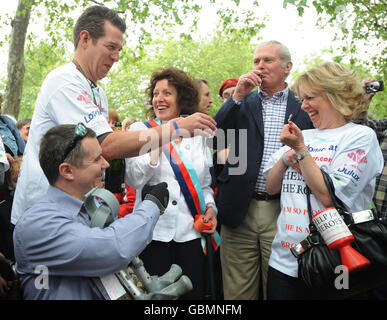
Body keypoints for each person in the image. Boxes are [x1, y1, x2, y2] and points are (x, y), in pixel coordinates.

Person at [11, 5, 216, 226]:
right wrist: (176, 128)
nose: (116, 57)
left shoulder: (98, 93)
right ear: (85, 39)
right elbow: (106, 146)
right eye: (111, 47)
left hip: (78, 213)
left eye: (119, 49)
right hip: (45, 214)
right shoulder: (64, 81)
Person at [264, 61, 384, 300]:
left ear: (334, 96)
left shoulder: (360, 136)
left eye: (310, 97)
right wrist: (286, 159)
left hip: (337, 260)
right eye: (302, 99)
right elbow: (270, 187)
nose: (304, 105)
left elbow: (330, 196)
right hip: (285, 260)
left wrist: (300, 150)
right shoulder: (304, 134)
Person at [13, 124, 169, 300]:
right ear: (67, 171)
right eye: (96, 160)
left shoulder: (88, 208)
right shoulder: (38, 223)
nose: (106, 164)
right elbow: (111, 249)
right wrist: (152, 206)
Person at [213, 40, 314, 300]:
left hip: (285, 210)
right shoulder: (240, 102)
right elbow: (214, 138)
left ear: (287, 67)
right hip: (238, 210)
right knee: (237, 293)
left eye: (268, 60)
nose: (260, 66)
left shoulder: (303, 106)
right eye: (256, 61)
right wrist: (236, 96)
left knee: (280, 290)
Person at [125, 67, 217, 300]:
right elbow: (134, 179)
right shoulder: (140, 130)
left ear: (182, 99)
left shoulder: (199, 135)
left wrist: (211, 209)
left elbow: (205, 185)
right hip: (153, 235)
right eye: (155, 94)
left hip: (191, 236)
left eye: (167, 93)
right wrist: (159, 139)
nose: (159, 99)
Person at [0, 156, 22, 262]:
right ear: (9, 182)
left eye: (23, 179)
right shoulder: (2, 209)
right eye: (16, 181)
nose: (20, 185)